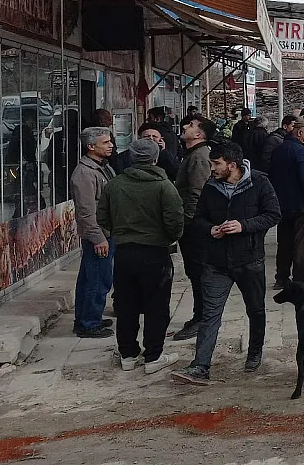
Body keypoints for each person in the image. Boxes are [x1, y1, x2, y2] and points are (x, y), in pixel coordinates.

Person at [173, 143, 281, 385]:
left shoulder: (259, 182)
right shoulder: (211, 187)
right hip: (216, 262)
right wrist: (210, 229)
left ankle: (254, 352)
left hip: (249, 260)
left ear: (231, 165)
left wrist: (243, 226)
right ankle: (200, 366)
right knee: (210, 314)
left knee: (255, 310)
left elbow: (273, 214)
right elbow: (197, 218)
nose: (211, 168)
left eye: (216, 164)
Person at [98, 139, 185, 375]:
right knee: (157, 306)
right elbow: (176, 220)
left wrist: (120, 231)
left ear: (131, 158)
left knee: (126, 305)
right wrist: (167, 237)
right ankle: (153, 355)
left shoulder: (114, 185)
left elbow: (102, 217)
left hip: (125, 252)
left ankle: (128, 354)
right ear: (156, 158)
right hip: (155, 252)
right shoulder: (164, 186)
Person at [70, 127, 117, 339]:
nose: (111, 145)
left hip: (108, 231)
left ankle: (87, 318)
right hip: (99, 236)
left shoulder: (102, 167)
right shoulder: (84, 173)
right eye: (105, 142)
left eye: (110, 141)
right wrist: (98, 238)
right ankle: (89, 323)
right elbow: (86, 212)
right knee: (97, 280)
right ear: (91, 146)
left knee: (93, 277)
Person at [173, 117, 216, 341]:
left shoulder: (200, 157)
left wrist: (188, 221)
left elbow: (197, 193)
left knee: (199, 273)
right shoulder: (191, 154)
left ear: (199, 135)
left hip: (194, 226)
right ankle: (199, 315)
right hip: (191, 223)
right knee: (195, 273)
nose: (185, 127)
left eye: (191, 126)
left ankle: (202, 318)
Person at [268, 116, 304, 287]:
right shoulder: (301, 152)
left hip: (283, 205)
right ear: (300, 132)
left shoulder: (280, 149)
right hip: (302, 206)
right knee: (302, 244)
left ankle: (282, 277)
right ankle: (301, 279)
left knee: (284, 243)